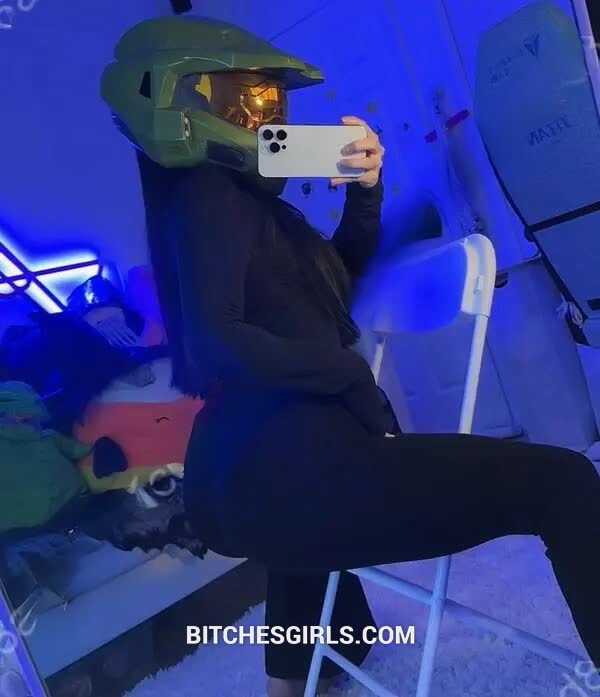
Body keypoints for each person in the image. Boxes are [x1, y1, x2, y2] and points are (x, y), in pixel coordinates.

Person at [102, 16, 600, 697]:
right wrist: (347, 373)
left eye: (273, 101)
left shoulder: (238, 205)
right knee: (564, 482)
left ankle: (288, 684)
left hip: (260, 479)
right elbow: (217, 341)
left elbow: (332, 285)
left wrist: (366, 193)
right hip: (284, 468)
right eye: (247, 98)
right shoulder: (207, 193)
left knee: (318, 565)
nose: (267, 115)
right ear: (182, 99)